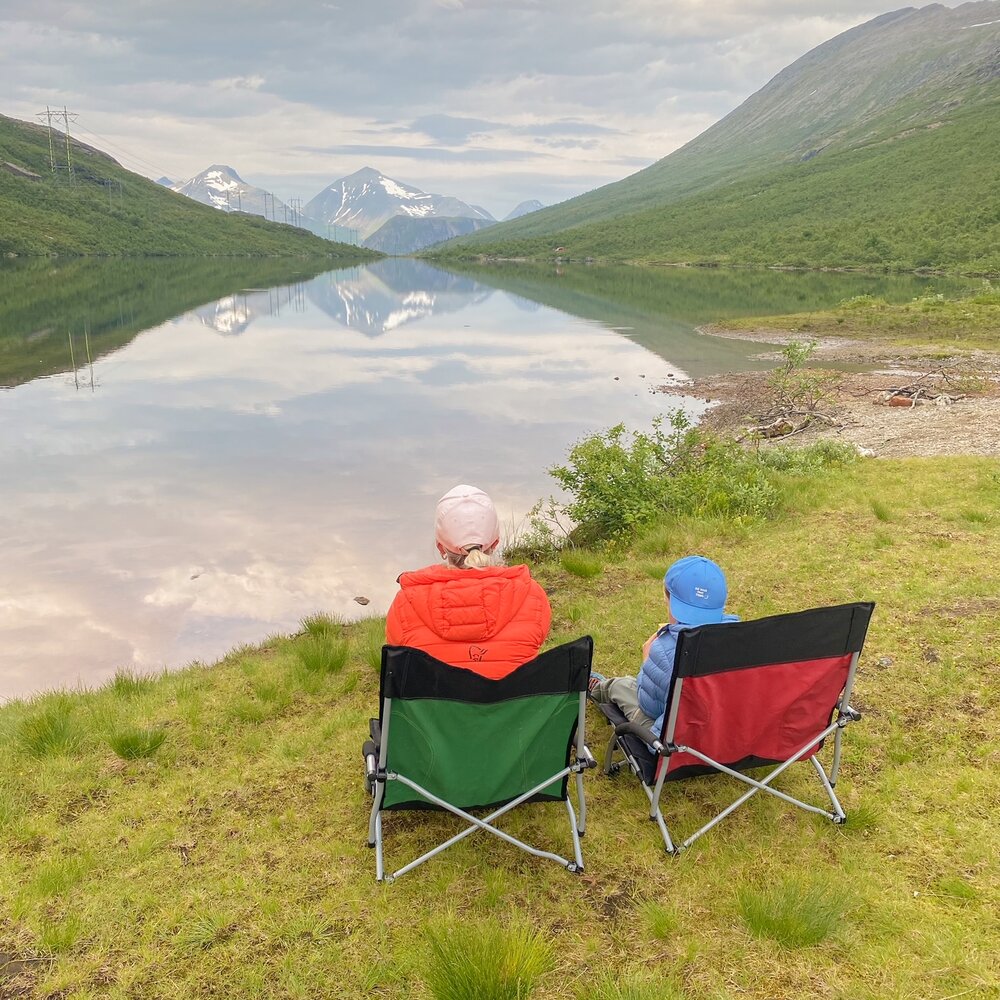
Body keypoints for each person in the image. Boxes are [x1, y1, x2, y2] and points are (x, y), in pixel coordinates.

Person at [385, 484, 552, 679]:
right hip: (516, 708)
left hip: (436, 709)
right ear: (495, 543)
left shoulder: (405, 603)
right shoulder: (532, 594)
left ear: (441, 547)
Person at [588, 555, 738, 739]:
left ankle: (598, 687)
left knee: (623, 686)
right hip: (732, 738)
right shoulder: (743, 639)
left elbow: (648, 705)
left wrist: (647, 662)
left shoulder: (665, 650)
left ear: (668, 599)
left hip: (678, 748)